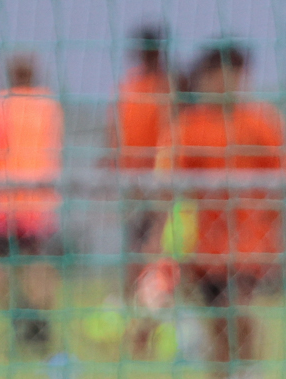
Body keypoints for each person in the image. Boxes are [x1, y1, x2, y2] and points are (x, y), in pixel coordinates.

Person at [162, 41, 286, 379]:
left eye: (235, 74)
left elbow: (285, 177)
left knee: (239, 310)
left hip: (250, 244)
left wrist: (274, 234)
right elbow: (170, 186)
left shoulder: (261, 122)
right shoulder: (189, 126)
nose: (227, 82)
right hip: (204, 247)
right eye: (218, 74)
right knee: (216, 322)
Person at [106, 25, 172, 356]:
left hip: (162, 184)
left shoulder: (168, 88)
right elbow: (114, 133)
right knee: (137, 256)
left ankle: (152, 328)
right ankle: (136, 326)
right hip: (133, 184)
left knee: (158, 255)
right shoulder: (129, 87)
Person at [0, 52, 63, 355]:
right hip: (37, 200)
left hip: (4, 199)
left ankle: (22, 317)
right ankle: (37, 324)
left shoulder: (2, 104)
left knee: (3, 267)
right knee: (37, 265)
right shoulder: (48, 105)